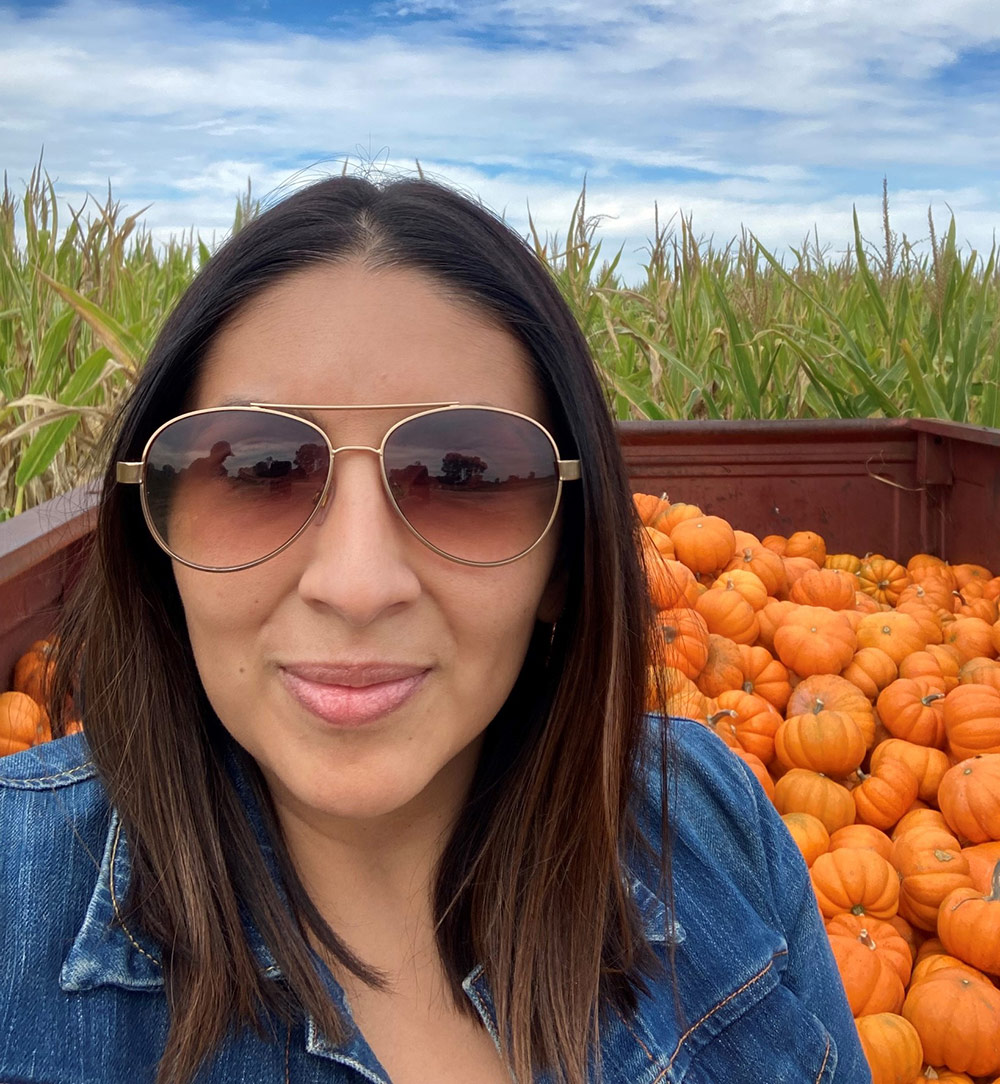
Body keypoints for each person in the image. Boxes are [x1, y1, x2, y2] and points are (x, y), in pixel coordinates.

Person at [0, 175, 871, 1084]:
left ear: (565, 559)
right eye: (258, 470)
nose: (357, 584)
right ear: (157, 530)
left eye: (465, 477)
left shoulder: (709, 816)